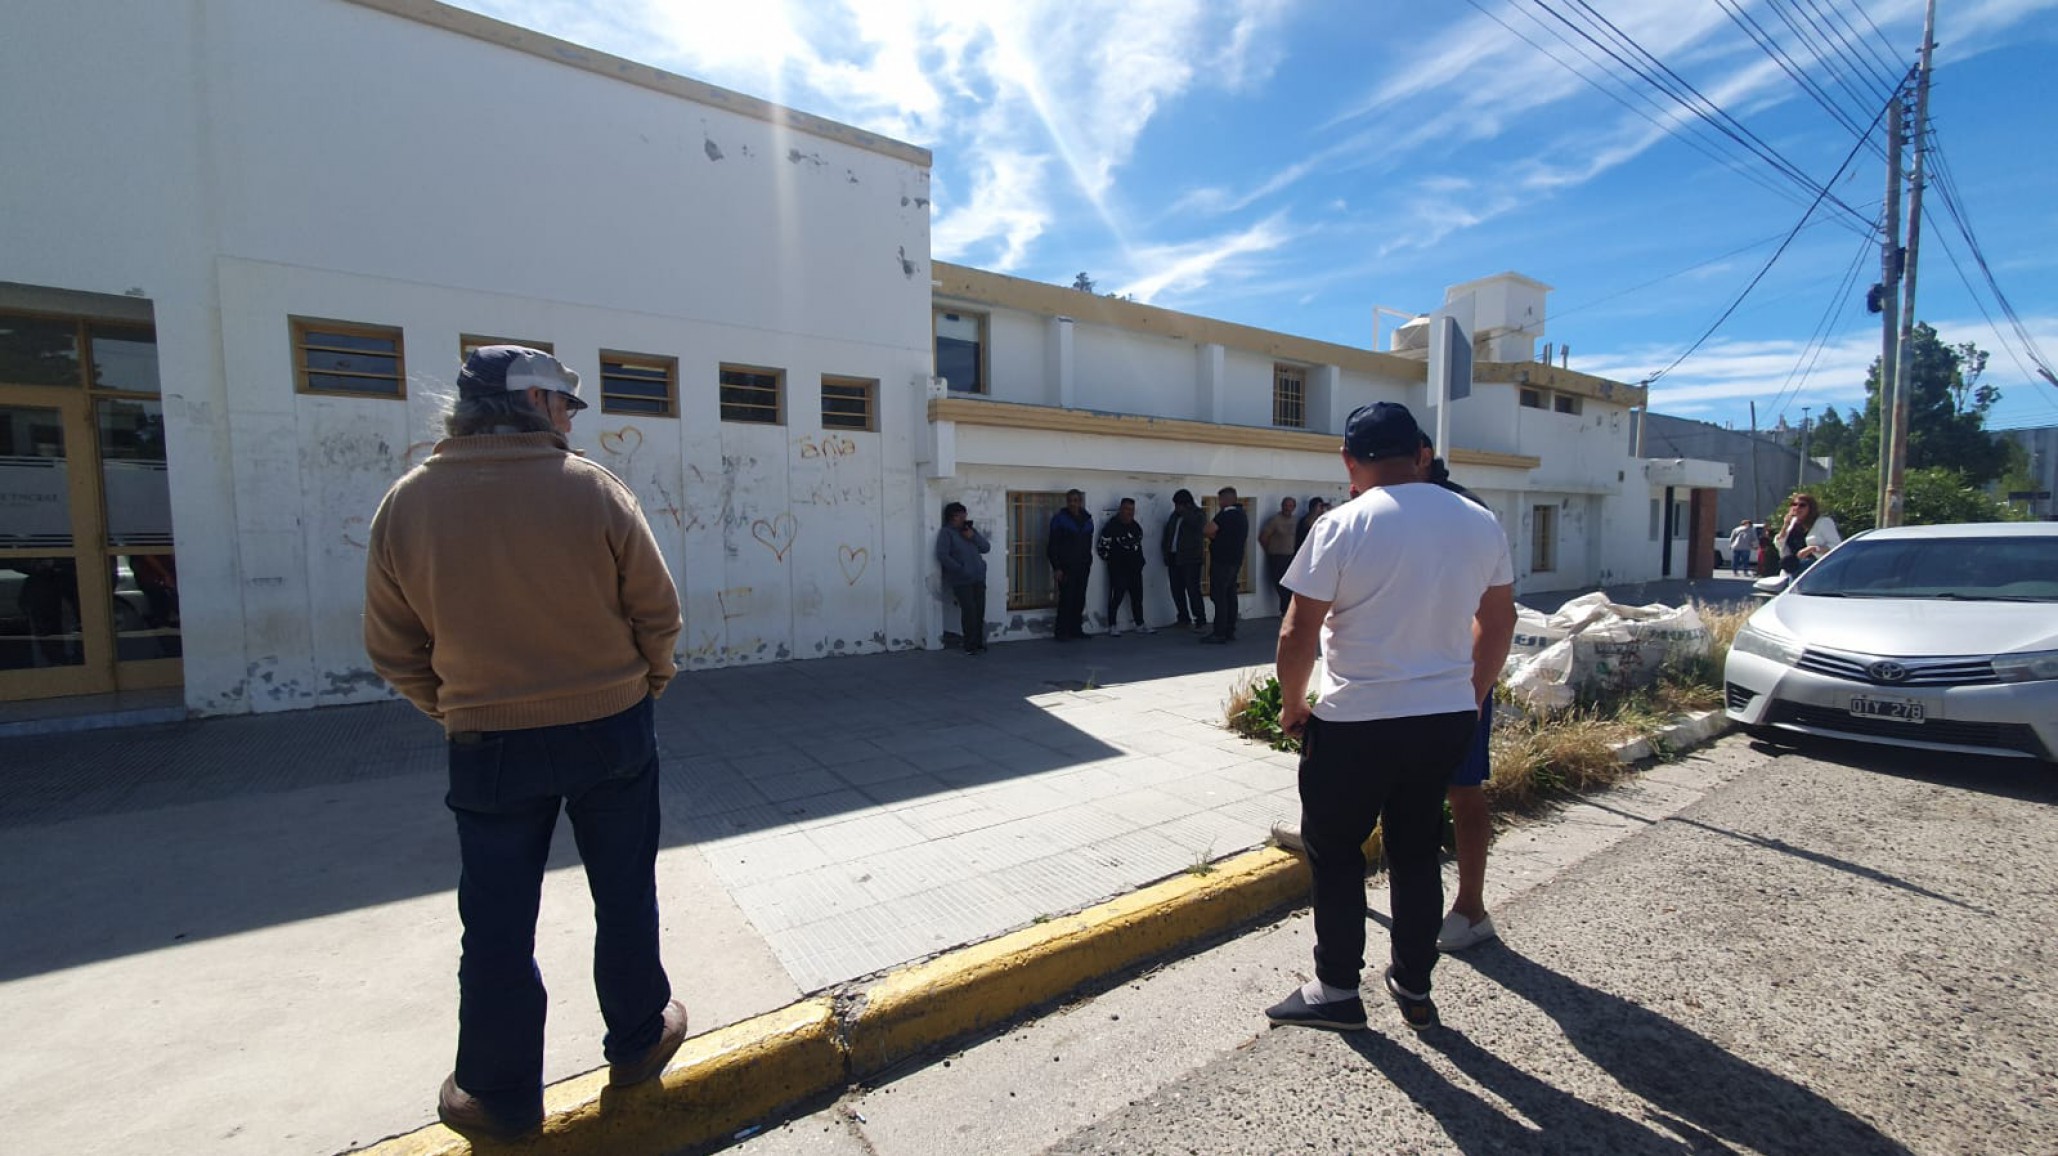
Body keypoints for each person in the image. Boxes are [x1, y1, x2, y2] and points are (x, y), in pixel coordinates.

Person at [363, 346, 688, 1144]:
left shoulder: (407, 503)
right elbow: (658, 611)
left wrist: (455, 709)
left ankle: (500, 1093)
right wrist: (646, 683)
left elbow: (393, 646)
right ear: (537, 404)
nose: (574, 422)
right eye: (568, 406)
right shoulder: (592, 490)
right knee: (623, 890)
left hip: (487, 742)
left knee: (499, 922)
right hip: (610, 724)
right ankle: (640, 1037)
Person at [1265, 402, 1515, 1034]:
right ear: (1420, 454)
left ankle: (1337, 990)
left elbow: (1298, 633)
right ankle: (1413, 980)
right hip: (1442, 719)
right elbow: (1500, 621)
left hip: (1357, 722)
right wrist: (1473, 693)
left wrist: (1294, 705)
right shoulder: (1481, 522)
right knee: (1414, 850)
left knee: (1338, 852)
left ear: (1350, 460)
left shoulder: (1341, 525)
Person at [1421, 439, 1501, 955]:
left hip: (1455, 677)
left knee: (1462, 790)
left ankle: (1471, 907)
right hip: (1400, 679)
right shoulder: (1384, 510)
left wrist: (1472, 691)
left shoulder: (1469, 513)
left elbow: (1493, 612)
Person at [935, 502, 990, 654]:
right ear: (954, 517)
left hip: (978, 577)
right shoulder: (947, 533)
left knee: (979, 611)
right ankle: (970, 644)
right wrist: (959, 569)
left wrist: (973, 537)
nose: (965, 518)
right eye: (962, 515)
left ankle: (979, 642)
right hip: (962, 579)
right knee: (969, 611)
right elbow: (943, 555)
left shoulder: (970, 531)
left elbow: (986, 547)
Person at [1095, 497, 1153, 636]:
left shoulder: (1136, 527)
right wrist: (1114, 562)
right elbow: (1102, 548)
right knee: (1116, 598)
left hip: (1135, 569)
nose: (1129, 513)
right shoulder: (1111, 527)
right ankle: (1112, 625)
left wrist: (1140, 563)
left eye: (1132, 510)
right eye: (1127, 509)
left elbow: (1138, 546)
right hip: (1118, 570)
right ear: (1121, 509)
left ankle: (1140, 624)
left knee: (1137, 598)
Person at [1200, 487, 1248, 644]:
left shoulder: (1226, 514)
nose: (1219, 502)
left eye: (1220, 499)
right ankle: (1229, 630)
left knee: (1219, 596)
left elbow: (1208, 529)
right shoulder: (1242, 515)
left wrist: (1214, 538)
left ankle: (1219, 632)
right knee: (1230, 595)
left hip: (1222, 561)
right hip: (1235, 560)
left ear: (1227, 500)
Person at [1047, 489, 1095, 640]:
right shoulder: (1059, 519)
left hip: (1083, 566)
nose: (1073, 503)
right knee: (1066, 599)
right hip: (1066, 568)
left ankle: (1076, 630)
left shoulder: (1088, 520)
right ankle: (1061, 632)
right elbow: (1052, 546)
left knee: (1079, 599)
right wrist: (1057, 568)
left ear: (1080, 501)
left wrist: (1089, 561)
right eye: (1070, 501)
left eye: (1076, 500)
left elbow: (1088, 543)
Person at [1162, 489, 1208, 632]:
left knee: (1193, 590)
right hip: (1174, 557)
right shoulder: (1174, 516)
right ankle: (1183, 618)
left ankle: (1200, 620)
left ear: (1187, 505)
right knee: (1177, 589)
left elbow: (1198, 526)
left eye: (1179, 505)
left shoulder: (1198, 514)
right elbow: (1168, 534)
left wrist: (1186, 513)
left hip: (1191, 559)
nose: (1176, 508)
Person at [1779, 492, 1840, 577]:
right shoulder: (1792, 523)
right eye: (1794, 504)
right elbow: (1779, 543)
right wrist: (1785, 525)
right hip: (1792, 569)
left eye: (1802, 505)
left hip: (1816, 568)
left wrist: (1812, 549)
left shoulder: (1823, 522)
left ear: (1810, 508)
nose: (1797, 507)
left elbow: (1837, 546)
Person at [1259, 496, 1300, 614]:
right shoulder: (1275, 520)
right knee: (1280, 585)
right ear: (1282, 506)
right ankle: (1285, 610)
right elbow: (1263, 537)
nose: (1288, 508)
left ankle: (1288, 611)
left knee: (1290, 586)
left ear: (1294, 508)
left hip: (1291, 558)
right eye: (1286, 505)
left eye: (1290, 506)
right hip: (1277, 557)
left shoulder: (1296, 520)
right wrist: (1270, 551)